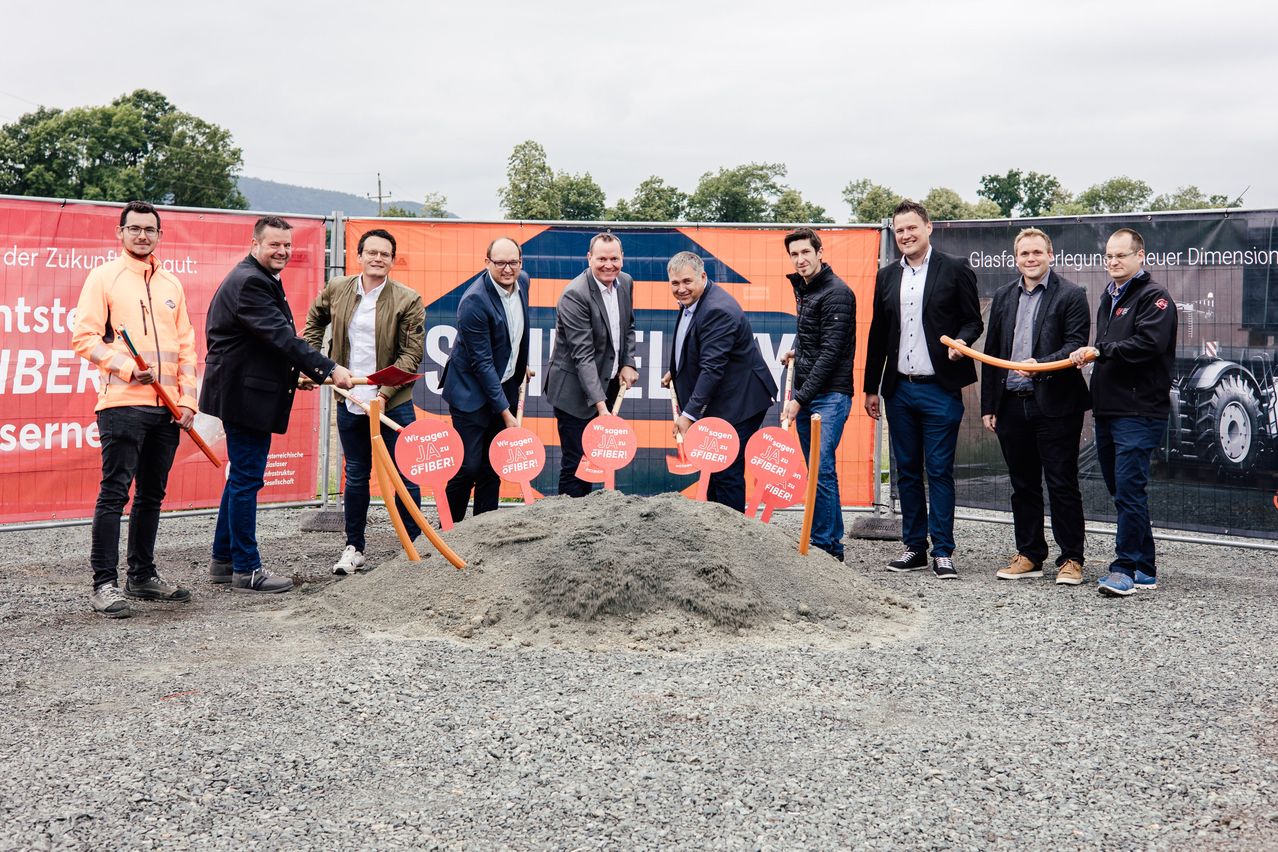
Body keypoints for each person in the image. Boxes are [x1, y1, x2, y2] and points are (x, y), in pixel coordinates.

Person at [201, 216, 354, 594]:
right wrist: (328, 368)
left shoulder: (256, 277)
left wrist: (293, 376)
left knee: (241, 477)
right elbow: (281, 337)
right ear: (255, 243)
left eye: (287, 246)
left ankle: (223, 561)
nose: (282, 252)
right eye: (275, 245)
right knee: (247, 479)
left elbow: (263, 343)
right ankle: (247, 569)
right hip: (242, 397)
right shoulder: (250, 281)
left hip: (242, 391)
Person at [72, 201, 198, 618]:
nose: (142, 235)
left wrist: (187, 400)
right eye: (135, 228)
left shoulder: (172, 285)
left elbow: (187, 350)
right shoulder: (103, 277)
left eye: (150, 229)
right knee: (114, 493)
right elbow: (84, 338)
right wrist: (127, 368)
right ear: (119, 232)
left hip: (166, 409)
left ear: (160, 236)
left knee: (152, 496)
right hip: (123, 404)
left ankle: (141, 576)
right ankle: (104, 584)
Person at [863, 200, 983, 579]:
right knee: (908, 472)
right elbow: (877, 335)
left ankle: (943, 551)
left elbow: (972, 321)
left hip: (940, 389)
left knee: (940, 470)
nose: (905, 235)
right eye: (899, 230)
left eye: (912, 227)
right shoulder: (886, 277)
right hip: (899, 390)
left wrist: (960, 342)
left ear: (929, 227)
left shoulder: (955, 268)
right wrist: (871, 388)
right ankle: (914, 547)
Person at [302, 228, 424, 574]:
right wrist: (315, 363)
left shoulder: (407, 299)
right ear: (358, 256)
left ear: (392, 260)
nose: (377, 258)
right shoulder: (338, 290)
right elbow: (314, 321)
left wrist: (384, 395)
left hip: (393, 401)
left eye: (385, 254)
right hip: (351, 398)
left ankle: (412, 545)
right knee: (356, 475)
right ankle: (353, 546)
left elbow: (410, 355)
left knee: (404, 474)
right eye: (371, 252)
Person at [1070, 227, 1177, 598]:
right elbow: (1107, 345)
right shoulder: (1109, 296)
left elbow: (1148, 344)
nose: (1113, 262)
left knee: (1130, 490)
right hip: (1109, 409)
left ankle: (1125, 568)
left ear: (1140, 256)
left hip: (1140, 411)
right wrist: (1090, 353)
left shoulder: (1155, 297)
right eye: (1109, 256)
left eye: (1121, 255)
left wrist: (1100, 351)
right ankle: (1145, 568)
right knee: (1122, 491)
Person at [981, 228, 1090, 586]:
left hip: (1056, 406)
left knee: (1061, 483)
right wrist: (989, 404)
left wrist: (1038, 363)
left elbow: (1075, 344)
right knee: (1022, 484)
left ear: (1051, 255)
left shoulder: (1072, 295)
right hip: (1012, 404)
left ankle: (1071, 558)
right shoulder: (1003, 297)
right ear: (1016, 259)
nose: (1031, 259)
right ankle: (1029, 554)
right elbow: (993, 352)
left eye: (1037, 253)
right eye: (1024, 253)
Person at [660, 251, 778, 511]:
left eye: (687, 282)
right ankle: (714, 530)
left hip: (740, 401)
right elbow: (696, 347)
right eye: (675, 283)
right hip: (724, 397)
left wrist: (688, 415)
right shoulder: (695, 301)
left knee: (726, 468)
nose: (681, 289)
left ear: (703, 276)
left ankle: (731, 538)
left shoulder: (716, 310)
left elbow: (712, 368)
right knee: (712, 465)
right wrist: (676, 371)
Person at [441, 237, 533, 521]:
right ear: (487, 263)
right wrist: (506, 413)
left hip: (502, 384)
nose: (508, 269)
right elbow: (481, 363)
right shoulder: (474, 302)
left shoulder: (524, 283)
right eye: (500, 263)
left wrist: (518, 363)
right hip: (470, 392)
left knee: (493, 465)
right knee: (468, 467)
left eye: (513, 262)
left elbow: (512, 332)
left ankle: (484, 532)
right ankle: (449, 531)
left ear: (521, 262)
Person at [778, 229, 856, 560]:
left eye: (805, 253)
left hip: (830, 395)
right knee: (819, 471)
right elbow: (813, 337)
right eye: (794, 255)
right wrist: (796, 351)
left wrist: (797, 400)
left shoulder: (837, 292)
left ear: (820, 252)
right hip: (810, 392)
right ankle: (832, 544)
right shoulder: (806, 289)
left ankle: (825, 546)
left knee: (821, 467)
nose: (800, 260)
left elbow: (831, 353)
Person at [544, 232, 638, 497]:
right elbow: (582, 355)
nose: (609, 265)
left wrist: (628, 362)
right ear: (589, 258)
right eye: (601, 259)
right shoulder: (574, 295)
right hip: (573, 393)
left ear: (622, 258)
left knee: (600, 460)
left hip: (605, 384)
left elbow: (628, 326)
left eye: (614, 258)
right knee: (577, 463)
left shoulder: (626, 283)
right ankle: (571, 525)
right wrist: (601, 407)